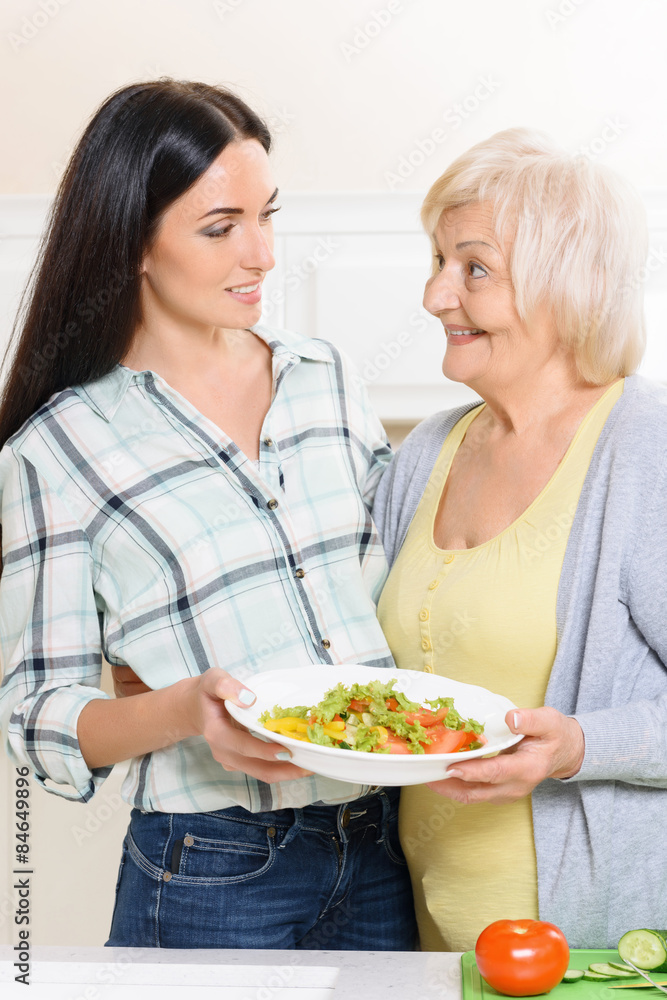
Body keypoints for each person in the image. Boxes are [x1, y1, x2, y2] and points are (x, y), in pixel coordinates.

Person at [0, 79, 416, 950]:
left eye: (268, 215)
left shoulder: (324, 376)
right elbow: (36, 712)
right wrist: (186, 710)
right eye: (221, 228)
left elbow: (406, 576)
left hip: (382, 843)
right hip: (213, 866)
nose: (261, 255)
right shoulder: (61, 447)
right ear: (134, 244)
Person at [372, 127, 667, 950]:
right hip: (424, 943)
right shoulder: (428, 448)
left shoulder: (643, 450)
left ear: (567, 286)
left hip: (588, 952)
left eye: (472, 268)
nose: (435, 296)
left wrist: (577, 745)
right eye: (435, 263)